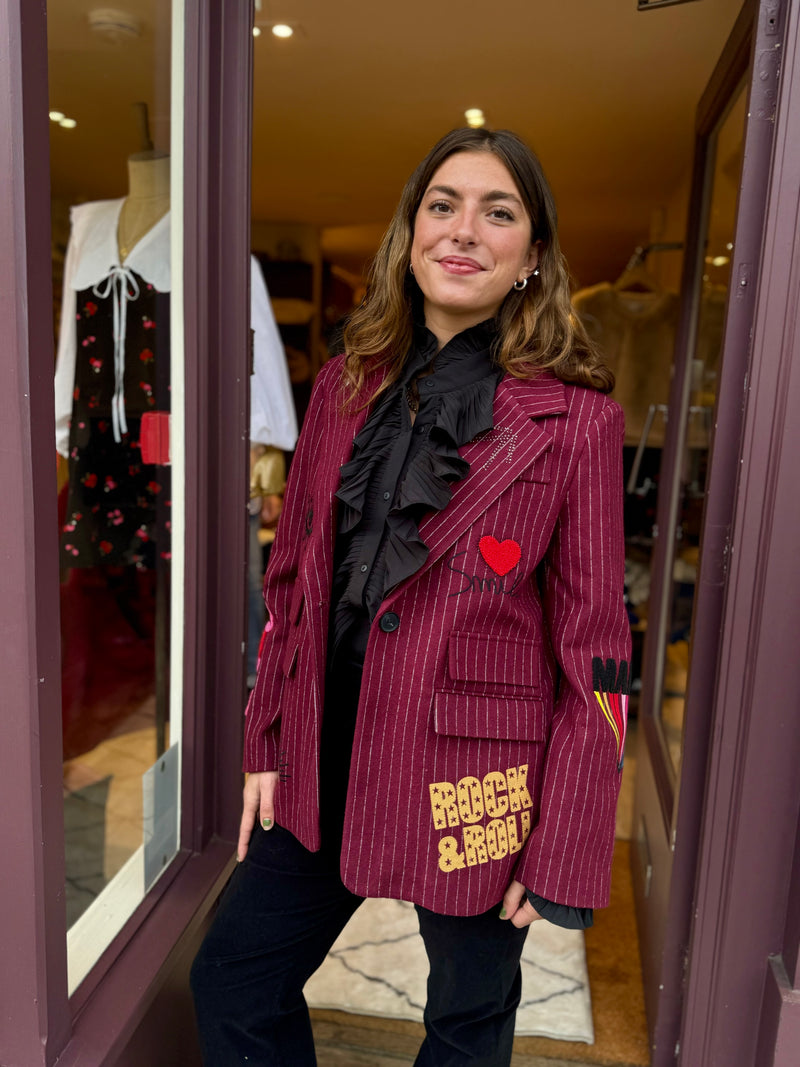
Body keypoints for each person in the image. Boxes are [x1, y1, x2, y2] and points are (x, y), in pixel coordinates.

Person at [191, 127, 631, 1066]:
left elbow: (597, 647)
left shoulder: (577, 423)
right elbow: (293, 581)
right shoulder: (343, 388)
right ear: (411, 231)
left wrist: (566, 841)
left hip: (481, 784)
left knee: (466, 1024)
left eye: (498, 212)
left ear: (533, 257)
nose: (464, 230)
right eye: (443, 205)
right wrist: (265, 736)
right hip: (322, 748)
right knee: (231, 978)